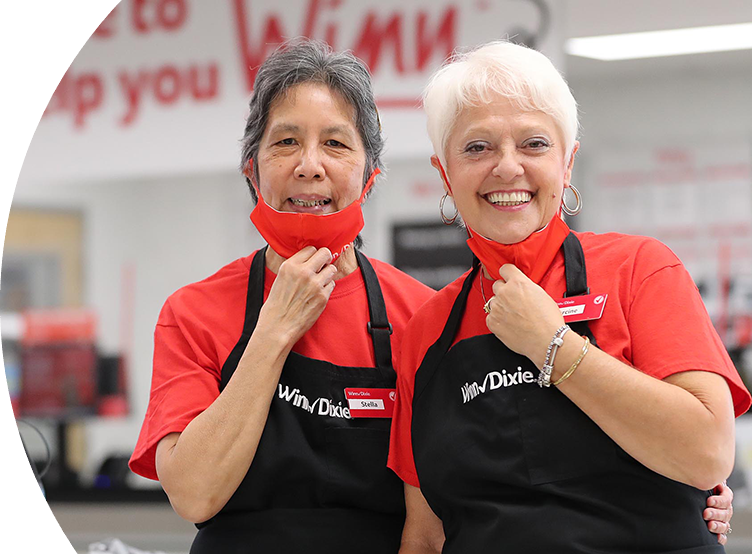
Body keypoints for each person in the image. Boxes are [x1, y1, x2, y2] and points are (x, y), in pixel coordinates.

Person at [388, 41, 749, 553]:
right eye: (477, 147)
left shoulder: (639, 271)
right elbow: (425, 535)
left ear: (568, 163)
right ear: (444, 173)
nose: (507, 167)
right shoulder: (426, 331)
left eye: (534, 144)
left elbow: (708, 453)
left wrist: (553, 345)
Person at [129, 40, 435, 553]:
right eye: (286, 142)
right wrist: (274, 330)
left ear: (370, 176)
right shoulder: (192, 314)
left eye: (336, 144)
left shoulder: (423, 315)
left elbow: (428, 523)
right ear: (252, 169)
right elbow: (194, 494)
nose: (309, 166)